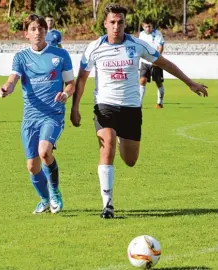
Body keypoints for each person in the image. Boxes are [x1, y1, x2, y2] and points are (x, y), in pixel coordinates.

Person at [70, 3, 208, 219]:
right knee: (106, 149)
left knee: (130, 160)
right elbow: (82, 79)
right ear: (105, 23)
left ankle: (117, 138)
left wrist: (190, 83)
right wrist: (75, 108)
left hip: (131, 109)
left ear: (126, 23)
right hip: (104, 107)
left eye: (120, 22)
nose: (116, 26)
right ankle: (108, 205)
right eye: (112, 22)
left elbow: (166, 63)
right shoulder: (94, 48)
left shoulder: (137, 45)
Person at [0, 14, 75, 214]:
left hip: (53, 114)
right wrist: (6, 88)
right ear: (26, 34)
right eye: (33, 28)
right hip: (30, 117)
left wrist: (66, 94)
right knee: (32, 166)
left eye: (41, 28)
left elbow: (71, 83)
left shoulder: (60, 55)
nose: (38, 31)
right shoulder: (21, 57)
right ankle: (44, 199)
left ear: (46, 32)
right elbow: (13, 80)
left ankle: (55, 192)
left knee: (44, 152)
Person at [139, 18, 165, 108]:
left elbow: (160, 47)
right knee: (142, 80)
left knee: (158, 82)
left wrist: (156, 59)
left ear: (152, 26)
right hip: (144, 62)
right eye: (146, 26)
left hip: (155, 62)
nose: (148, 28)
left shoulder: (157, 34)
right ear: (143, 26)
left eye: (149, 26)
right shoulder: (141, 35)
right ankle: (139, 104)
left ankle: (159, 103)